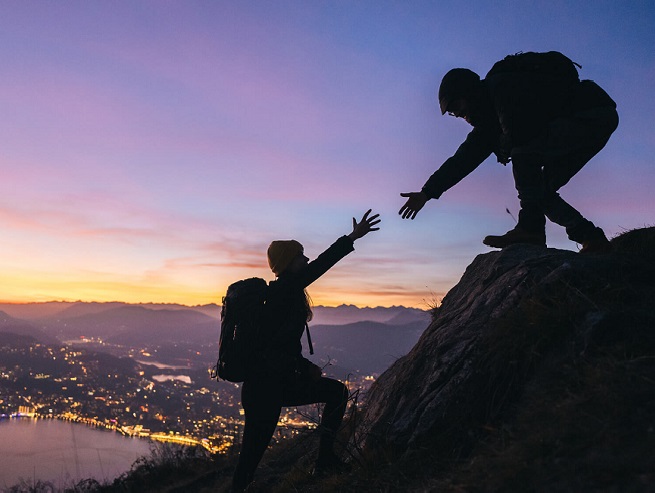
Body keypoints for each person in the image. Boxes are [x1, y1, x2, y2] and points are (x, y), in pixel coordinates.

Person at [399, 52, 619, 253]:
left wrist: (506, 143)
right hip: (590, 122)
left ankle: (530, 229)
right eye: (452, 113)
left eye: (455, 106)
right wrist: (426, 193)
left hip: (590, 114)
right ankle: (590, 237)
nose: (456, 114)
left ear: (467, 91)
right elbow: (461, 161)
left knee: (523, 154)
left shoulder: (501, 86)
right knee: (538, 190)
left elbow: (520, 133)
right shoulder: (488, 124)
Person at [232, 210, 381, 492]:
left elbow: (279, 345)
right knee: (249, 461)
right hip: (265, 389)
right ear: (289, 263)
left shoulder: (283, 294)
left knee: (336, 393)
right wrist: (352, 238)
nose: (307, 259)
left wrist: (301, 366)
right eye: (301, 256)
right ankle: (323, 462)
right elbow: (321, 265)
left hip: (273, 384)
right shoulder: (285, 291)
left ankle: (325, 461)